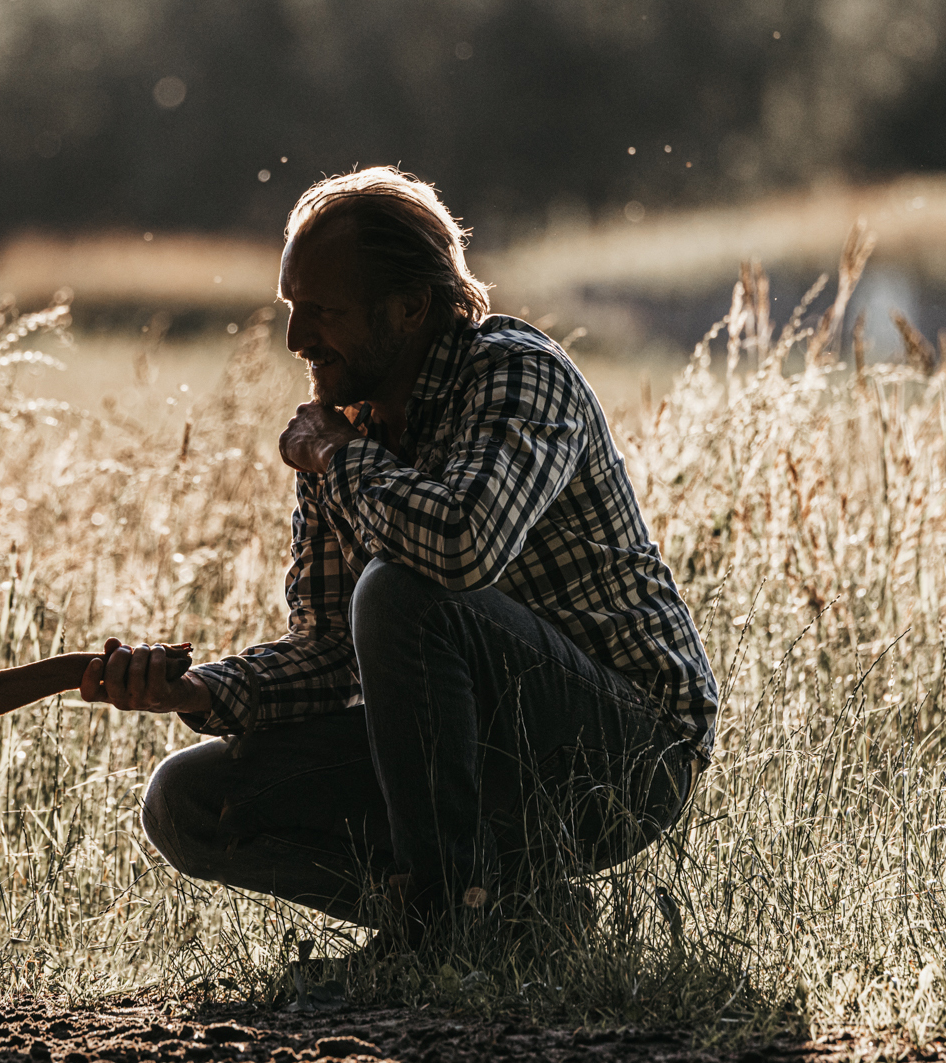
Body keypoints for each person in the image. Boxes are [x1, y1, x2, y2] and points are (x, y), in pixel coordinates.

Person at [82, 167, 716, 941]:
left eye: (322, 310)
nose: (294, 339)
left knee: (399, 589)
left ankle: (440, 928)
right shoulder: (346, 430)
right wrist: (195, 692)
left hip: (628, 752)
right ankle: (516, 918)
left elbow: (459, 547)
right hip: (472, 753)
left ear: (411, 306)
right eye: (290, 307)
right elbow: (327, 653)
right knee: (186, 801)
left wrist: (339, 461)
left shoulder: (519, 374)